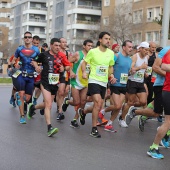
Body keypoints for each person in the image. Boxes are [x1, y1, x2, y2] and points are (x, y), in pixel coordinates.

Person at [27, 38, 71, 137]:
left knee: (48, 103)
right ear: (51, 45)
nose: (58, 47)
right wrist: (37, 67)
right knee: (49, 105)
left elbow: (68, 66)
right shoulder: (44, 55)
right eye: (56, 45)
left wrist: (64, 68)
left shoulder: (62, 55)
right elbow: (34, 61)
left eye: (59, 46)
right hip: (45, 82)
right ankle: (49, 127)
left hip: (55, 83)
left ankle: (33, 107)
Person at [78, 32, 116, 138]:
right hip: (94, 80)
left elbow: (110, 66)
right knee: (98, 102)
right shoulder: (93, 52)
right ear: (100, 40)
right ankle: (94, 129)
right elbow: (84, 63)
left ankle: (84, 112)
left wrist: (111, 75)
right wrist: (84, 72)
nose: (108, 41)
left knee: (98, 106)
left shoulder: (111, 53)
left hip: (104, 82)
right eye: (106, 39)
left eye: (109, 39)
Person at [99, 40, 133, 131]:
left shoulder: (130, 59)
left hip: (124, 84)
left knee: (118, 107)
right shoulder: (117, 56)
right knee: (117, 105)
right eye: (129, 47)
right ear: (124, 47)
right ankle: (103, 111)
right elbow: (109, 66)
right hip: (115, 84)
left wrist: (131, 72)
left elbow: (126, 71)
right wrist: (111, 76)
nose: (131, 49)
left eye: (132, 47)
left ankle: (109, 123)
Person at [62, 39, 93, 128]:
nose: (90, 47)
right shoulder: (78, 54)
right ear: (84, 46)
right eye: (88, 45)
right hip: (76, 81)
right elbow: (67, 63)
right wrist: (71, 72)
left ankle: (75, 119)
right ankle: (67, 101)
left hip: (85, 82)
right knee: (76, 102)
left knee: (83, 101)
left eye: (91, 46)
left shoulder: (92, 56)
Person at [147, 46, 170, 159]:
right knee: (167, 121)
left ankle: (165, 136)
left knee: (168, 122)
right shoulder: (168, 51)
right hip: (168, 90)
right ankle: (153, 147)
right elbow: (163, 66)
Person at [12, 31, 40, 124]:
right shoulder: (19, 49)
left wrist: (37, 66)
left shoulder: (36, 50)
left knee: (27, 98)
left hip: (31, 76)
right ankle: (22, 116)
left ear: (32, 39)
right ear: (24, 39)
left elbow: (39, 62)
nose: (27, 38)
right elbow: (14, 60)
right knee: (21, 94)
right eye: (25, 37)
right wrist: (15, 65)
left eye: (29, 37)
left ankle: (18, 97)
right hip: (21, 74)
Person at [124, 42, 149, 126]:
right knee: (130, 102)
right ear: (140, 49)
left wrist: (145, 73)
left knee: (143, 101)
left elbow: (145, 68)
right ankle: (122, 118)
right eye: (145, 50)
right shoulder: (135, 57)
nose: (146, 51)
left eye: (147, 50)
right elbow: (131, 70)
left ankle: (133, 111)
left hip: (140, 82)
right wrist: (140, 68)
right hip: (132, 81)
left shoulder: (146, 58)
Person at [56, 37, 72, 120]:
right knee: (58, 92)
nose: (65, 44)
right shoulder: (55, 52)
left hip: (65, 75)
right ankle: (59, 109)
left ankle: (60, 107)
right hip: (55, 75)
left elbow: (69, 65)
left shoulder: (68, 53)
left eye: (66, 42)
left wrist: (69, 71)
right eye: (63, 42)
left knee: (64, 92)